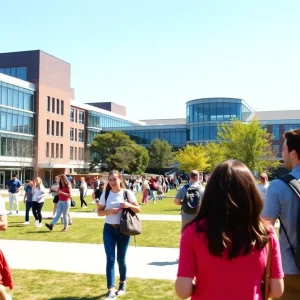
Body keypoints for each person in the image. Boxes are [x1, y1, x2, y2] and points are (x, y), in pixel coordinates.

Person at [175, 159, 284, 300]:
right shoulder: (265, 232)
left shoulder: (193, 231)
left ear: (211, 193)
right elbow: (277, 290)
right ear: (251, 193)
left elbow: (183, 291)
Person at [262, 129, 300, 299]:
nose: (281, 153)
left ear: (293, 153)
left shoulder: (278, 186)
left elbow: (264, 227)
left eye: (283, 149)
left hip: (290, 267)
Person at [97, 170, 140, 300]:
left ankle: (122, 283)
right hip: (109, 229)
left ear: (120, 179)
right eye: (110, 180)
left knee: (121, 259)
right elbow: (99, 212)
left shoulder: (127, 193)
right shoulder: (106, 194)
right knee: (110, 259)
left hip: (123, 230)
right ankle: (111, 289)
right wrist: (109, 211)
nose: (112, 182)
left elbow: (138, 209)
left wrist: (127, 204)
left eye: (114, 179)